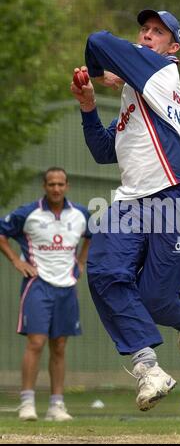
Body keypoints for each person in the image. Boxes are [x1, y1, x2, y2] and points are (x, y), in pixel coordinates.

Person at [71, 9, 180, 412]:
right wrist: (87, 106)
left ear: (173, 49)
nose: (148, 35)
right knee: (102, 268)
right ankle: (148, 367)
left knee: (154, 300)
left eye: (158, 32)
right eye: (145, 29)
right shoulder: (136, 97)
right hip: (135, 200)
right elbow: (105, 151)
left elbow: (97, 41)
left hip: (176, 196)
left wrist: (102, 73)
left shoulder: (160, 71)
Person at [0, 167, 91, 421]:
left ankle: (56, 405)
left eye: (61, 184)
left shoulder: (81, 214)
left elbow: (91, 236)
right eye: (51, 184)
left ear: (67, 186)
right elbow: (2, 233)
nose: (56, 188)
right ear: (44, 186)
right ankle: (27, 403)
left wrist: (81, 262)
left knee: (59, 346)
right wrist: (17, 262)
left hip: (67, 287)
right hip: (37, 285)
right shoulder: (28, 213)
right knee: (36, 342)